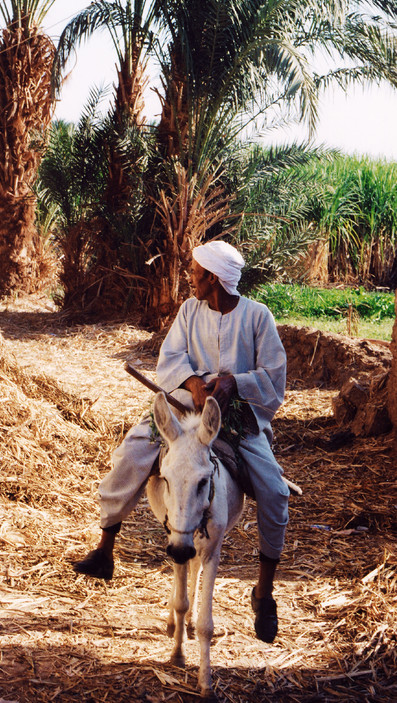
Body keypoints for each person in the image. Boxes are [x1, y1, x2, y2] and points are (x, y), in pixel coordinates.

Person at [74, 240, 289, 643]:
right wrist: (193, 383)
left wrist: (232, 384)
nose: (189, 277)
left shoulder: (258, 317)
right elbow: (171, 357)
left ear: (213, 278)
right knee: (132, 453)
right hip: (181, 408)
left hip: (237, 418)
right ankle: (105, 548)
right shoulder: (189, 311)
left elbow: (274, 376)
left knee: (276, 493)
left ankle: (265, 594)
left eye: (194, 272)